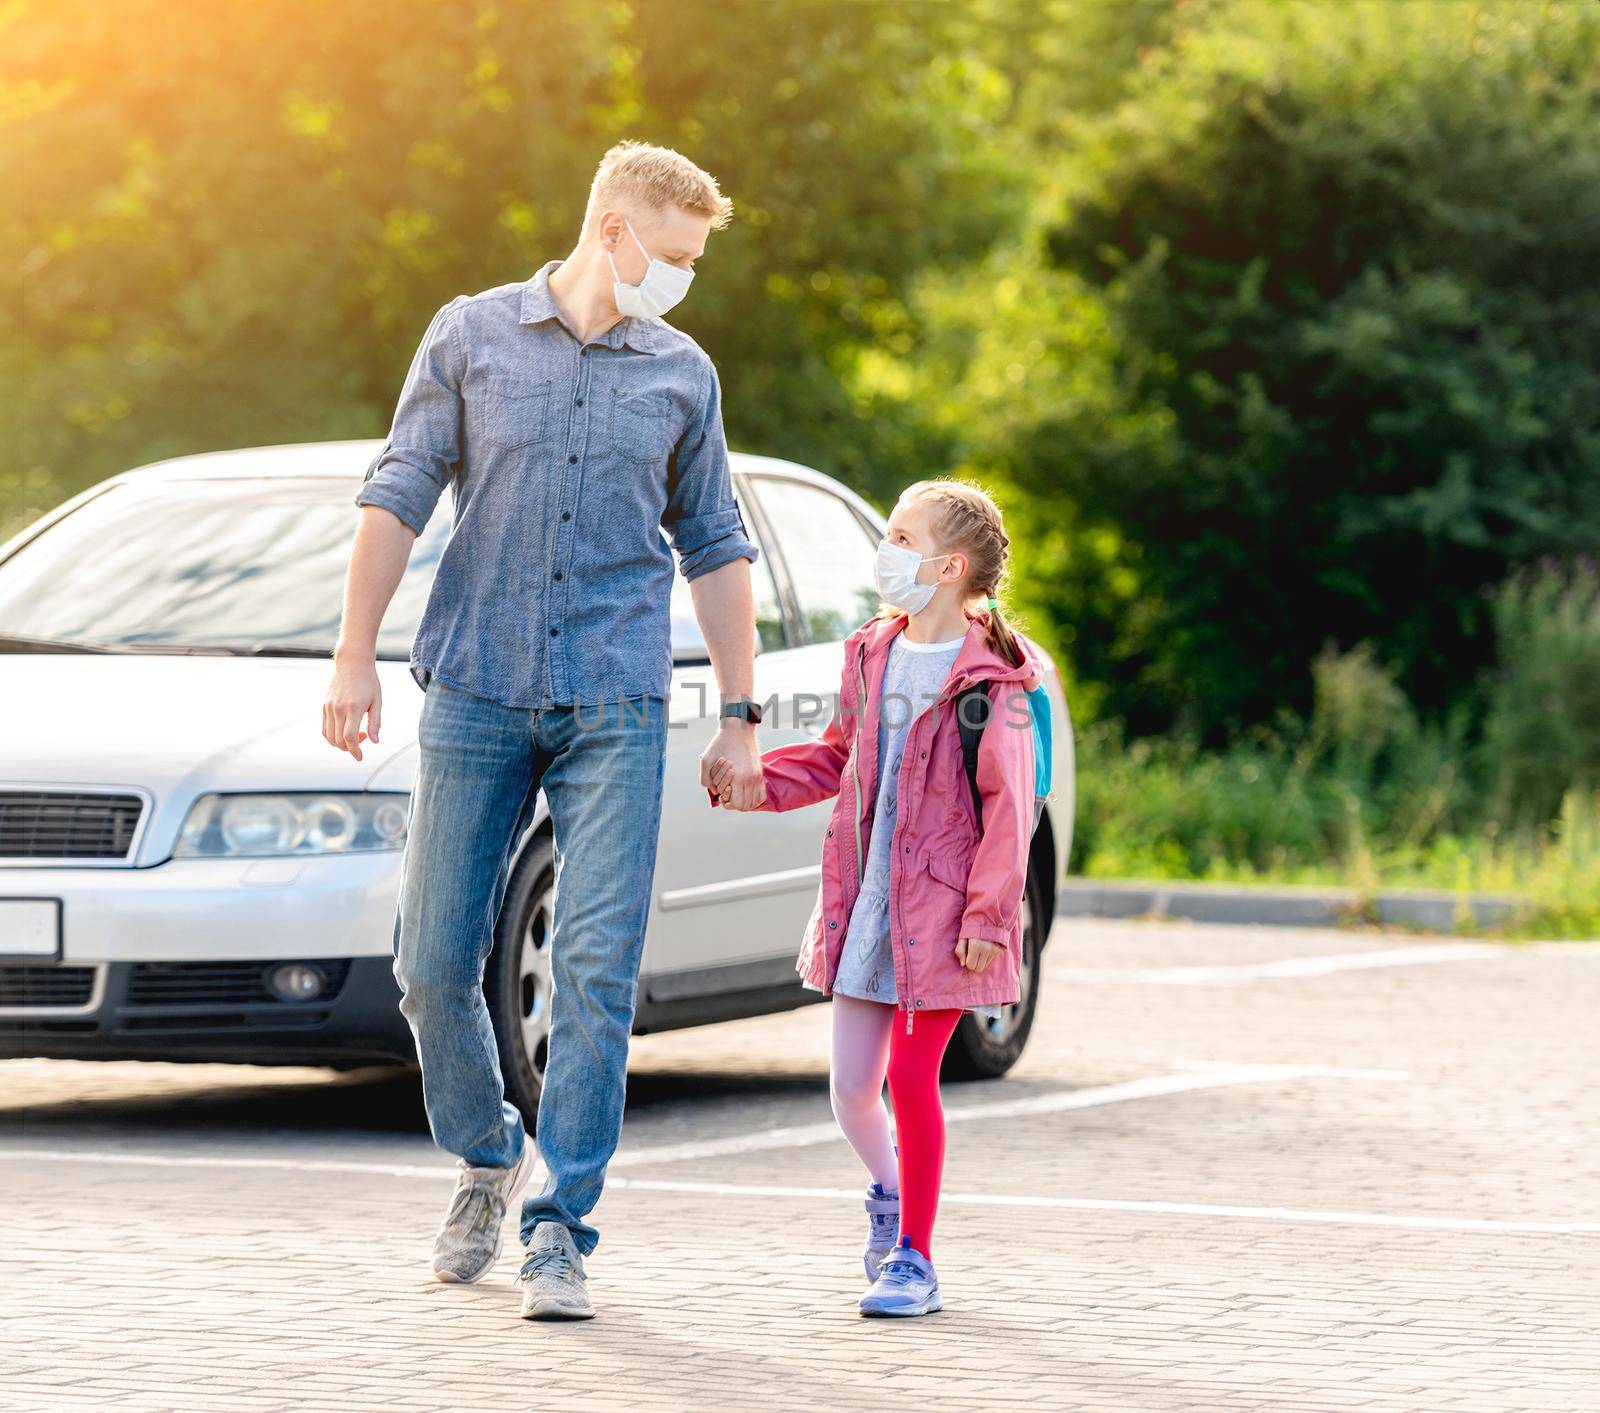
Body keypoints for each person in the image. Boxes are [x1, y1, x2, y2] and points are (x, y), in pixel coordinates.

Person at [323, 140, 769, 1321]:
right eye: (673, 256)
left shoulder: (682, 373)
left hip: (617, 701)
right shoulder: (469, 337)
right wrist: (352, 651)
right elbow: (398, 491)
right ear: (613, 230)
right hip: (473, 688)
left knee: (592, 967)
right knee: (429, 962)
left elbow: (717, 544)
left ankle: (560, 1228)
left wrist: (739, 717)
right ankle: (483, 1151)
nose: (681, 280)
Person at [708, 478, 1043, 1317]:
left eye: (901, 536)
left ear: (949, 564)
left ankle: (915, 1260)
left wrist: (987, 919)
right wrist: (758, 780)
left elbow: (1012, 812)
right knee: (851, 1089)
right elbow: (838, 756)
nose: (885, 550)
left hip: (944, 910)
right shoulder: (871, 651)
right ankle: (893, 1197)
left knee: (910, 1076)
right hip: (867, 901)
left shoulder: (994, 681)